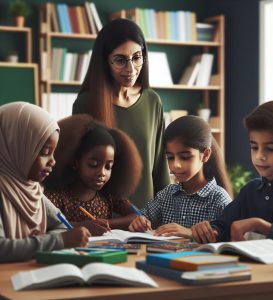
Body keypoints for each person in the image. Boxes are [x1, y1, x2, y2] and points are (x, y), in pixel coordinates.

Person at [72, 18, 170, 208]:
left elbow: (160, 167)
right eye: (120, 60)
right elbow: (79, 171)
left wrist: (166, 214)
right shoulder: (85, 103)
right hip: (103, 219)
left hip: (148, 219)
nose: (131, 69)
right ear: (105, 61)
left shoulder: (152, 100)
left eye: (137, 57)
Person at [191, 100, 273, 250]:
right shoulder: (250, 190)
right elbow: (224, 224)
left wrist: (262, 226)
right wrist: (209, 230)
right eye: (254, 147)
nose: (260, 156)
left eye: (271, 148)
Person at [0, 102, 91, 262]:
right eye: (45, 153)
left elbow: (61, 225)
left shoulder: (33, 190)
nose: (53, 162)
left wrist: (37, 243)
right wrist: (58, 241)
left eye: (53, 153)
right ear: (15, 147)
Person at [128, 116, 233, 238]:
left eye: (185, 156)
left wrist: (190, 233)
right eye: (170, 157)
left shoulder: (219, 200)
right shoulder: (166, 195)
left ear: (205, 155)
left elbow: (230, 241)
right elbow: (143, 218)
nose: (175, 165)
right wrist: (139, 222)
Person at [44, 114, 142, 235]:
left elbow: (135, 216)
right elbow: (45, 224)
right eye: (93, 164)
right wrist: (83, 226)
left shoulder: (109, 194)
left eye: (108, 167)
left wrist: (106, 223)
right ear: (75, 163)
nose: (102, 173)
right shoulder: (58, 196)